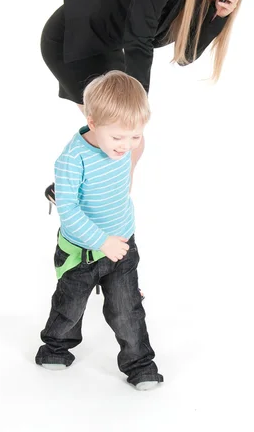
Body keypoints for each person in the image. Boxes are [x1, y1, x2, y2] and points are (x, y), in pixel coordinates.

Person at [41, 0, 254, 206]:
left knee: (128, 142)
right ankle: (99, 211)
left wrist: (221, 15)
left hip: (105, 47)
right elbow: (138, 41)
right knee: (124, 137)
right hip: (73, 37)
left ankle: (84, 199)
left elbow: (185, 55)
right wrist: (136, 108)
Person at [35, 71, 163, 391]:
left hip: (121, 245)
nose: (126, 145)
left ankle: (139, 364)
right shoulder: (72, 159)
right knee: (70, 305)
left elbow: (125, 177)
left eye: (134, 136)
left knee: (126, 309)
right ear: (92, 122)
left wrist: (117, 246)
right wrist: (101, 241)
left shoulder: (126, 145)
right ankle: (55, 347)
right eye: (118, 137)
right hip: (82, 251)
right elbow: (70, 213)